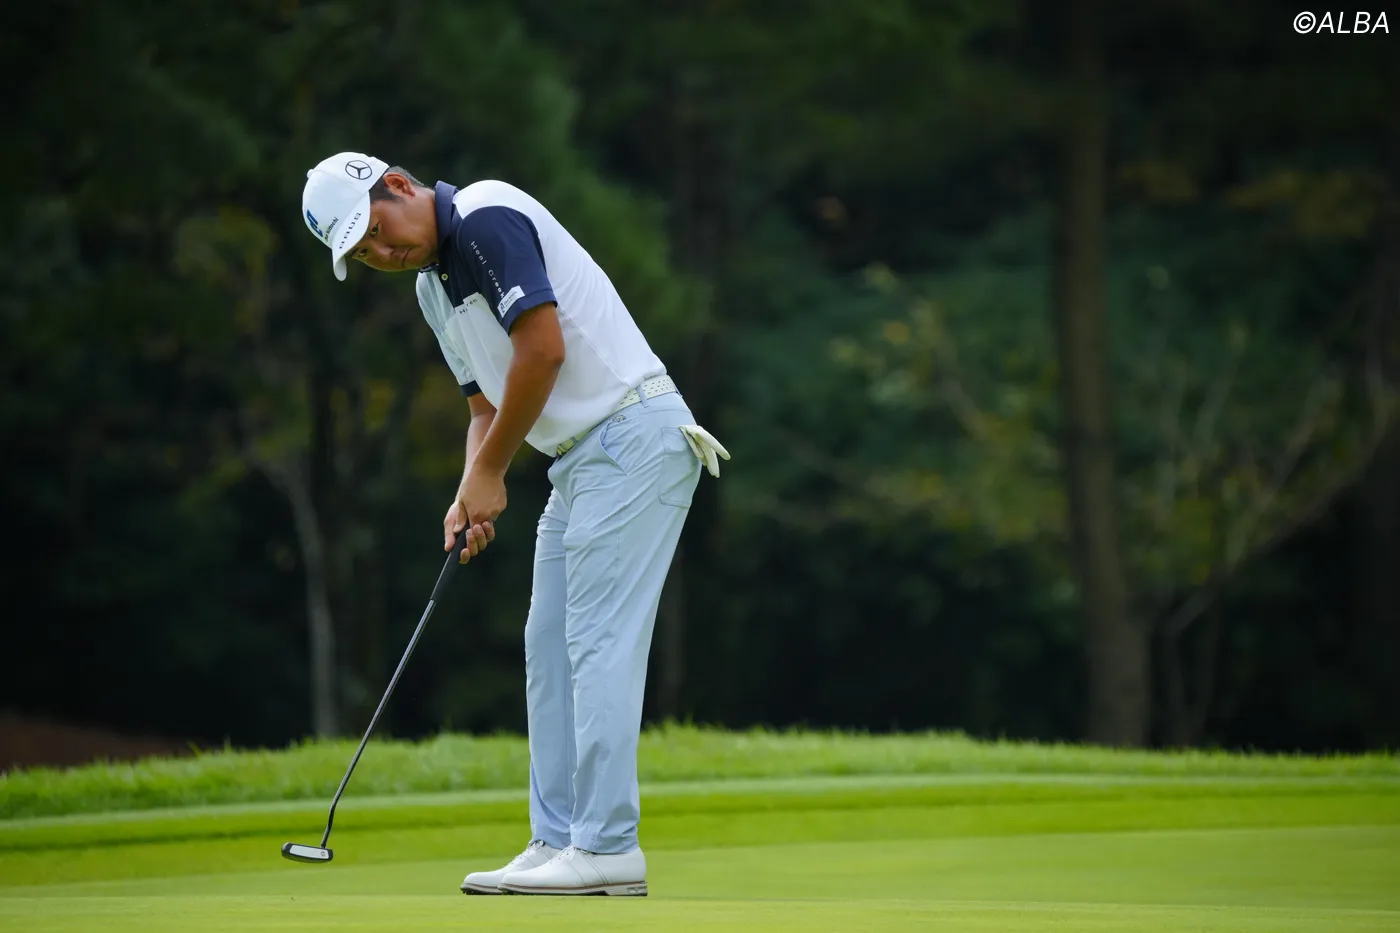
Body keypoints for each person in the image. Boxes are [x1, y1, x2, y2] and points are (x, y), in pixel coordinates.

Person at [300, 152, 728, 896]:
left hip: (633, 434)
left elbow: (543, 350)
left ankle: (606, 846)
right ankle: (555, 838)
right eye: (362, 253)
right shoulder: (433, 289)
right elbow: (483, 407)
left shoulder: (486, 215)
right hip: (581, 459)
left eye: (376, 231)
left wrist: (492, 471)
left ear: (398, 187)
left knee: (596, 642)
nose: (381, 253)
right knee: (548, 645)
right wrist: (470, 485)